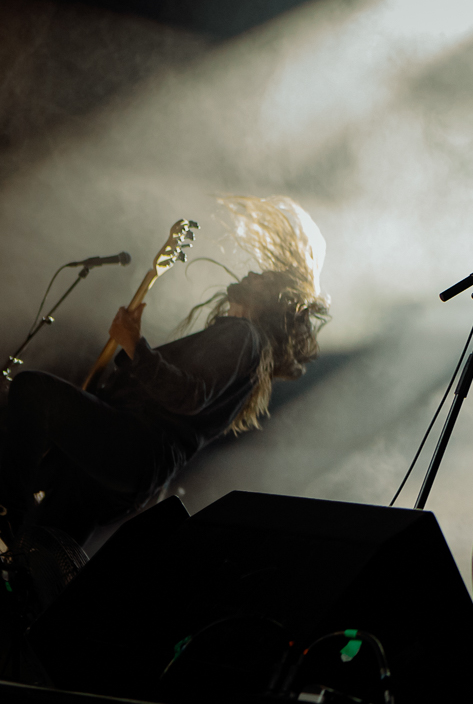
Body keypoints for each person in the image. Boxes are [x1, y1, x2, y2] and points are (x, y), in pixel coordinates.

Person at [0, 195, 330, 555]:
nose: (251, 274)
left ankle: (9, 510)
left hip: (135, 449)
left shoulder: (244, 336)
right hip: (134, 475)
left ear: (275, 299)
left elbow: (188, 396)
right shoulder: (248, 351)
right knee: (40, 556)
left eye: (263, 278)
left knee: (33, 392)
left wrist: (134, 346)